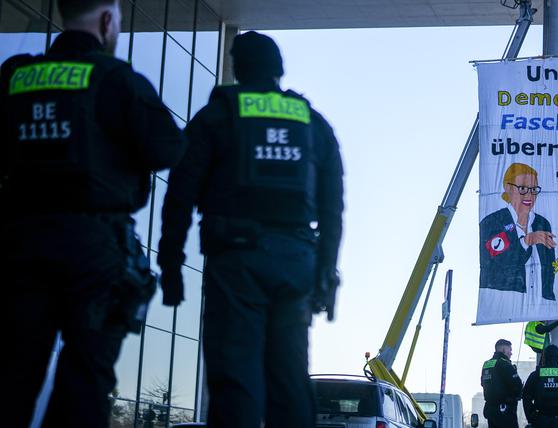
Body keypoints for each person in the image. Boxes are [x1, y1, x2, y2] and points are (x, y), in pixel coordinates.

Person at [0, 0, 185, 425]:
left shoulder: (15, 75)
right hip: (93, 248)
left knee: (11, 375)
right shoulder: (115, 78)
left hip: (18, 243)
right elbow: (168, 148)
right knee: (85, 378)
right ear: (107, 22)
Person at [156, 31, 344, 428]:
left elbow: (180, 195)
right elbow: (332, 210)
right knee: (290, 381)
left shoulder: (218, 116)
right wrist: (325, 274)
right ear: (279, 69)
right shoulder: (312, 123)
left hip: (235, 262)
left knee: (235, 381)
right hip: (296, 264)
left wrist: (170, 265)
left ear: (237, 69)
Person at [479, 163, 557, 311]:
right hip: (506, 304)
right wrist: (526, 241)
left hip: (542, 304)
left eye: (533, 190)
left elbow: (549, 269)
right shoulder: (493, 222)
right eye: (522, 189)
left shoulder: (542, 223)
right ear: (508, 188)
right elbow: (496, 262)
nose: (529, 195)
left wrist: (550, 299)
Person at [481, 339, 523, 428]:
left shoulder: (487, 364)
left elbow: (482, 383)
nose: (511, 353)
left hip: (491, 410)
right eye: (510, 350)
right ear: (504, 349)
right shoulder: (505, 364)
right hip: (505, 411)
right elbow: (517, 385)